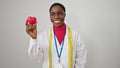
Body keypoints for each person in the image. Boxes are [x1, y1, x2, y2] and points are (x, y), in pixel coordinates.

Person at [26, 2, 87, 68]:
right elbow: (37, 58)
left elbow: (81, 60)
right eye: (53, 14)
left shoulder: (76, 36)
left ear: (64, 15)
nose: (56, 16)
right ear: (50, 16)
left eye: (60, 13)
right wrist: (34, 39)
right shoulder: (43, 36)